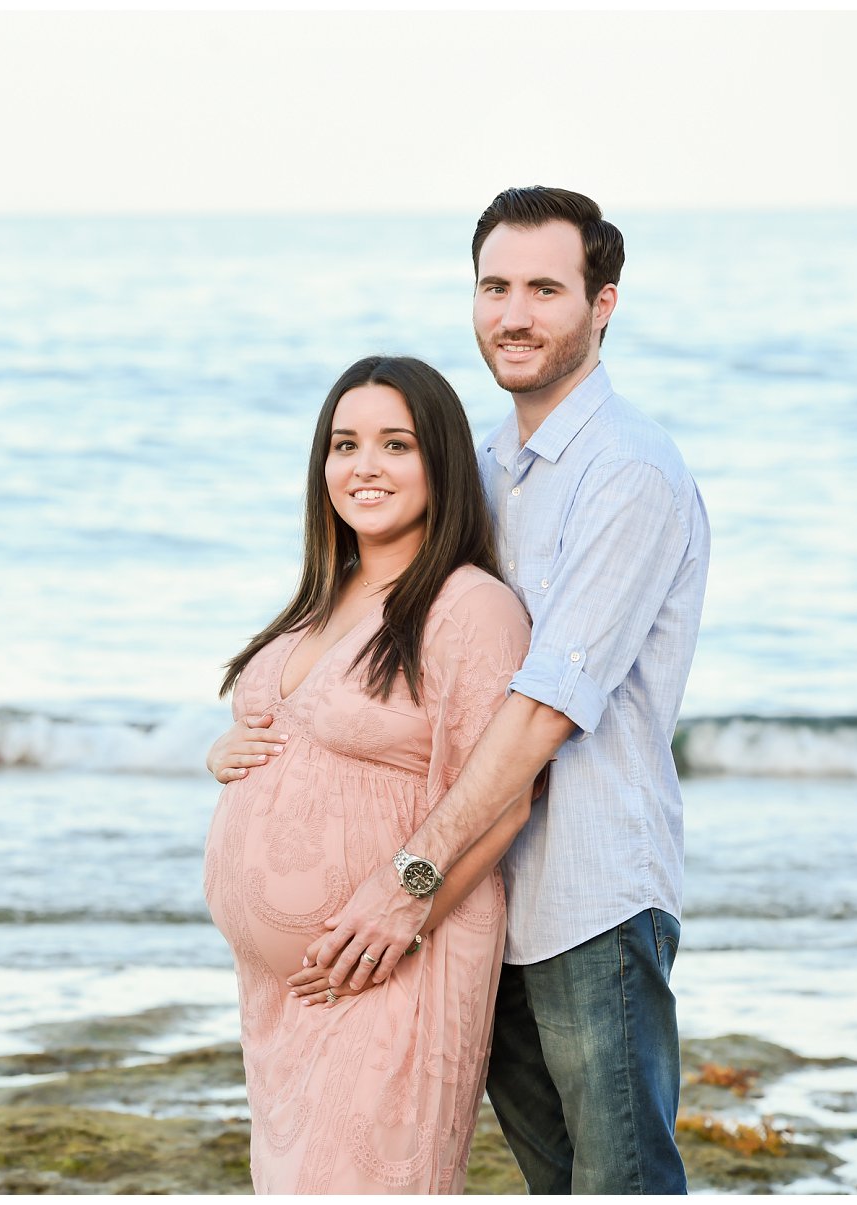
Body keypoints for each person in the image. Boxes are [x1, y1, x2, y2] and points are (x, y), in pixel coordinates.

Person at [218, 187, 711, 1194]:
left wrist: (408, 884)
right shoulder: (482, 468)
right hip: (485, 901)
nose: (515, 314)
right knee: (554, 1176)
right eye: (495, 287)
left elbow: (538, 712)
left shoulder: (628, 473)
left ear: (603, 303)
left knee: (619, 1180)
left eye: (545, 287)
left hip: (585, 893)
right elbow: (385, 639)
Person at [202, 355, 532, 1193]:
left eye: (396, 444)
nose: (365, 467)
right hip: (284, 997)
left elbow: (501, 798)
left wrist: (405, 914)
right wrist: (224, 756)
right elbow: (291, 729)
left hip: (392, 963)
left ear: (443, 464)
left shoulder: (470, 607)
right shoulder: (324, 597)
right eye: (345, 444)